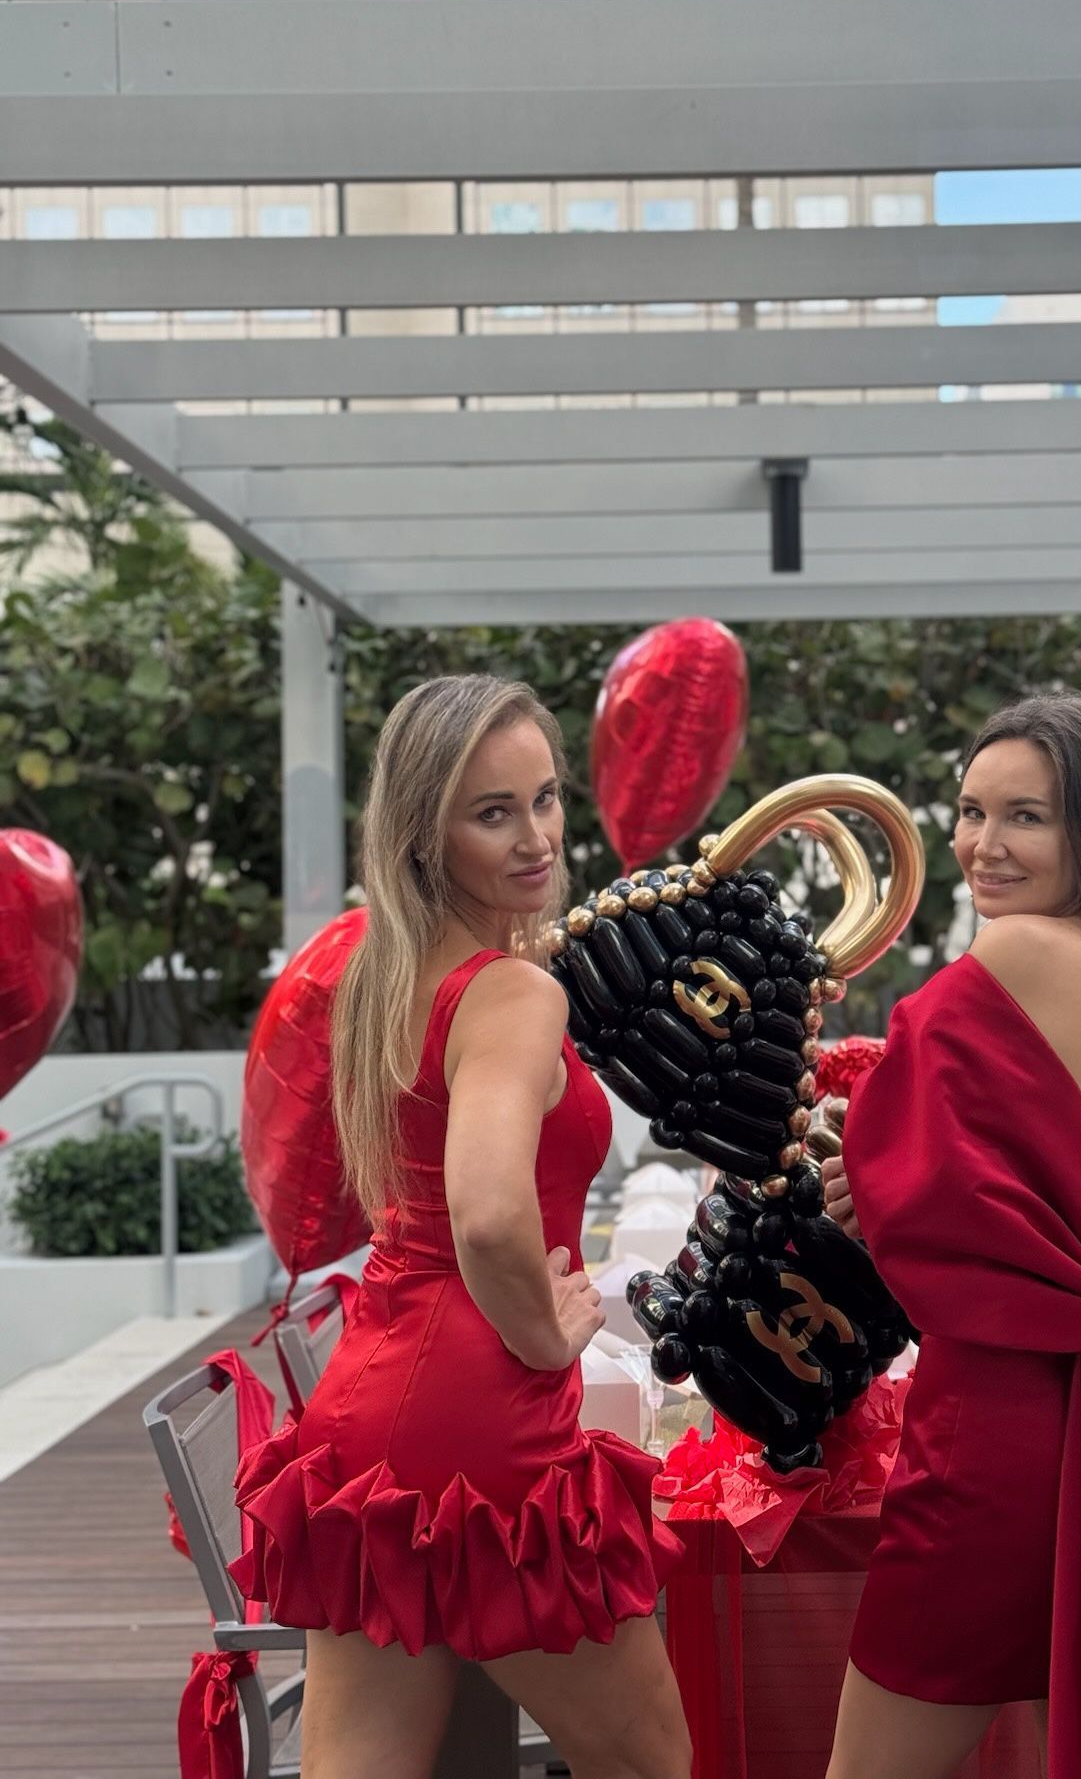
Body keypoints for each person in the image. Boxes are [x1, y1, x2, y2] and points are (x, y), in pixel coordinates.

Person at [231, 676, 690, 1779]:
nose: (537, 836)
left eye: (545, 797)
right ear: (424, 834)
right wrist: (543, 1334)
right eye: (493, 812)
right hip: (479, 1423)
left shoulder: (388, 973)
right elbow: (487, 1214)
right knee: (655, 1762)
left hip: (373, 1404)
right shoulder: (509, 993)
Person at [821, 689, 1081, 1779]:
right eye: (970, 809)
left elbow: (892, 1172)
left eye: (1026, 816)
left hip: (996, 1430)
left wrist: (855, 1164)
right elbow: (998, 1200)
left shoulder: (1019, 957)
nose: (982, 844)